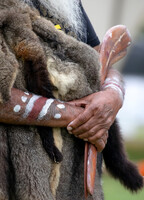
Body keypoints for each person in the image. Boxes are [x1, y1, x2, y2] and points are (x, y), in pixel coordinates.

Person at [0, 0, 124, 152]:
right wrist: (76, 116)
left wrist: (114, 93)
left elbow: (101, 63)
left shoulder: (68, 3)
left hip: (75, 162)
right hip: (12, 160)